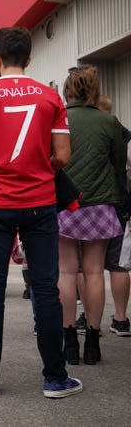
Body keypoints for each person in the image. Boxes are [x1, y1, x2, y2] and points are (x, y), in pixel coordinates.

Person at [0, 27, 81, 398]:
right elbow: (62, 155)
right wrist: (35, 166)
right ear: (29, 59)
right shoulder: (50, 98)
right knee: (45, 288)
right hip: (40, 203)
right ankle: (55, 378)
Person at [57, 66, 125, 365]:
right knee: (95, 272)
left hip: (64, 204)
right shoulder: (109, 122)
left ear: (67, 89)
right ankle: (94, 342)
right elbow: (118, 164)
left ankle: (69, 340)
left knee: (67, 271)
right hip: (100, 203)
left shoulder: (58, 120)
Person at [98, 95, 131, 337]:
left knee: (89, 267)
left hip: (89, 206)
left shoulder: (84, 131)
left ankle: (89, 320)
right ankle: (120, 319)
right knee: (119, 264)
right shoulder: (125, 135)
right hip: (119, 205)